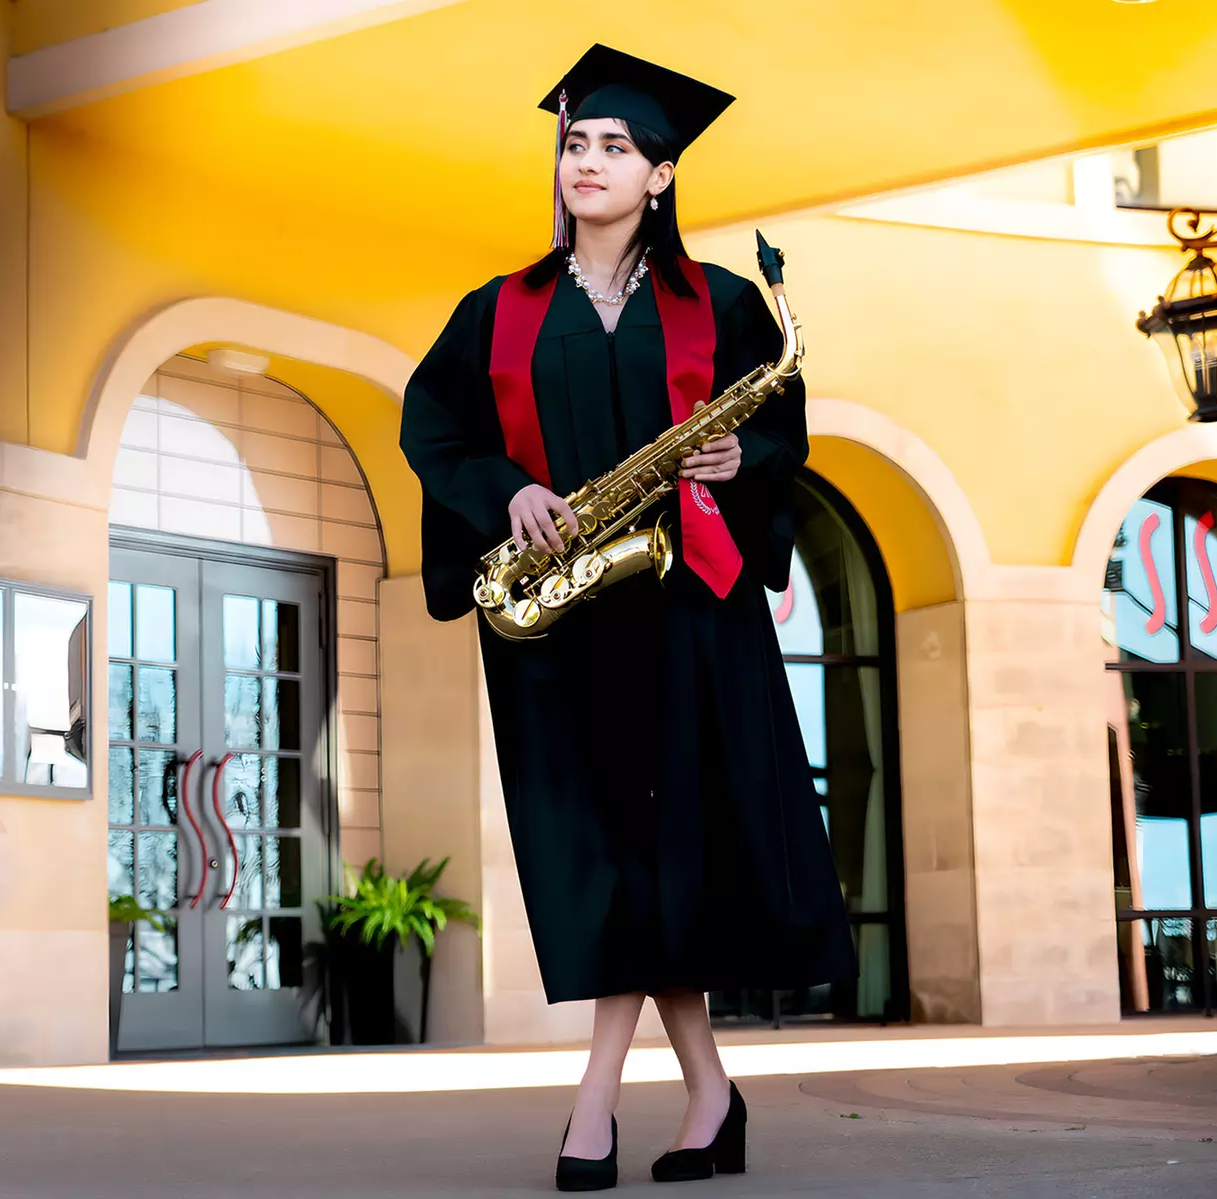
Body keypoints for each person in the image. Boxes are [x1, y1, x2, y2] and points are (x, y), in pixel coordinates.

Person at [399, 44, 857, 1191]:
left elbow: (785, 434)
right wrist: (505, 488)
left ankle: (594, 1104)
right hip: (562, 627)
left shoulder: (729, 306)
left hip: (687, 615)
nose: (587, 161)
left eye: (615, 147)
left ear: (661, 175)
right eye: (574, 143)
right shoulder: (496, 310)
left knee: (661, 862)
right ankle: (709, 1093)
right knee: (602, 859)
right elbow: (434, 429)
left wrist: (737, 449)